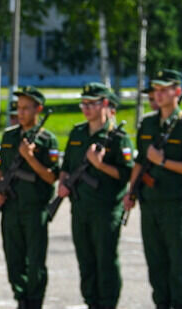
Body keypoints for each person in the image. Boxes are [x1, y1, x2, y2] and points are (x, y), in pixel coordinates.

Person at [58, 82, 133, 309]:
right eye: (84, 103)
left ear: (106, 104)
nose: (86, 108)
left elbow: (126, 174)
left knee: (105, 260)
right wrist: (63, 183)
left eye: (92, 103)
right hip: (80, 208)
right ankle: (91, 302)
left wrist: (99, 165)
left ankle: (107, 304)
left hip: (105, 209)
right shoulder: (78, 132)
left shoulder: (118, 137)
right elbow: (67, 165)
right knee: (86, 260)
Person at [124, 69, 182, 309]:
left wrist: (163, 161)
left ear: (177, 92)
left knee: (180, 265)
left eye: (164, 90)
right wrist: (131, 192)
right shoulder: (149, 123)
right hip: (150, 203)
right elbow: (140, 161)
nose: (158, 95)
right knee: (156, 264)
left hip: (176, 205)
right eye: (156, 90)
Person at [0, 86, 59, 309]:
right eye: (18, 108)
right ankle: (21, 299)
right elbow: (2, 169)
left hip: (34, 208)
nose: (20, 113)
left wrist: (30, 158)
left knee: (35, 261)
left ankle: (34, 301)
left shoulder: (47, 140)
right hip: (11, 207)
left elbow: (51, 177)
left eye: (25, 108)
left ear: (38, 109)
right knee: (14, 259)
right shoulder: (10, 135)